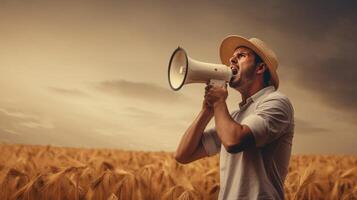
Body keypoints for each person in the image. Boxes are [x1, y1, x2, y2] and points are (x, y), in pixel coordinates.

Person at [174, 35, 295, 200]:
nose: (231, 60)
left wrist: (218, 103)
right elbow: (183, 155)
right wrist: (207, 111)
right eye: (232, 57)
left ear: (260, 68)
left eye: (241, 55)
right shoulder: (235, 117)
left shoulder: (277, 102)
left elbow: (234, 141)